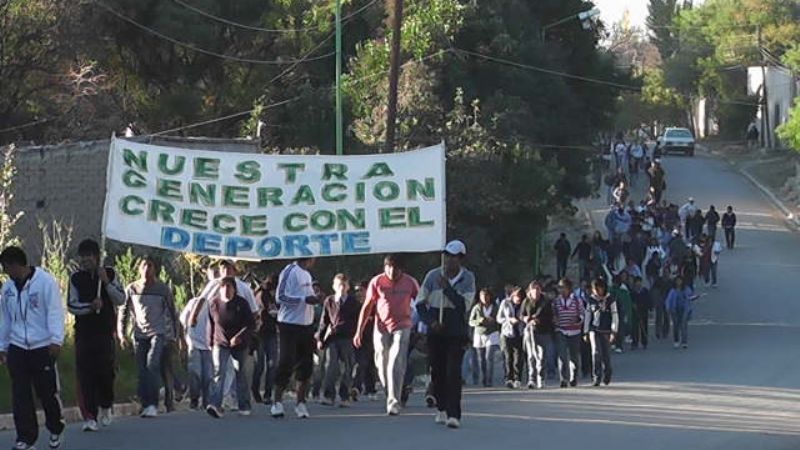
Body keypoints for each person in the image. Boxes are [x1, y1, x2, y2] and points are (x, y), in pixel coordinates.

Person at [0, 246, 66, 450]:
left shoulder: (45, 282)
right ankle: (26, 438)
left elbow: (55, 311)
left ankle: (55, 427)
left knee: (46, 392)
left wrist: (56, 339)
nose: (5, 272)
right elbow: (5, 319)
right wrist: (3, 345)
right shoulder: (7, 289)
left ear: (16, 265)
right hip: (18, 346)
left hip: (42, 345)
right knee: (20, 394)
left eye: (6, 268)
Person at [416, 240, 476, 429]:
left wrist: (447, 289)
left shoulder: (468, 278)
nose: (449, 260)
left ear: (461, 258)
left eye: (454, 257)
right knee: (438, 371)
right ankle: (441, 407)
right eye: (447, 256)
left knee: (453, 372)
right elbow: (420, 303)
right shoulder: (432, 275)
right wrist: (431, 322)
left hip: (455, 330)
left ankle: (453, 414)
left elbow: (463, 305)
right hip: (436, 328)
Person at [67, 239, 126, 432]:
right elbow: (71, 305)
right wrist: (90, 307)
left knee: (105, 373)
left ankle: (106, 404)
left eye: (89, 256)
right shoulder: (76, 278)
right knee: (86, 375)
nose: (85, 260)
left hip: (104, 333)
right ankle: (89, 416)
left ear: (97, 257)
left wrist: (106, 283)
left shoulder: (110, 273)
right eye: (82, 257)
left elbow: (121, 298)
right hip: (84, 334)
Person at [354, 254, 419, 416]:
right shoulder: (377, 282)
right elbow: (367, 306)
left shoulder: (410, 282)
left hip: (402, 326)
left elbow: (421, 303)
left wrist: (424, 326)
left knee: (395, 361)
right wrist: (359, 331)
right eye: (388, 267)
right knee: (382, 364)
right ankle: (391, 391)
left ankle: (394, 401)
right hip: (381, 327)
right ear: (384, 267)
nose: (391, 271)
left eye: (395, 268)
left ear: (401, 269)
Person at [118, 257, 177, 419]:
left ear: (155, 270)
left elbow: (172, 313)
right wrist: (121, 334)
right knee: (142, 369)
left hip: (158, 333)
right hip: (139, 334)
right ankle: (144, 403)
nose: (146, 269)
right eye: (144, 266)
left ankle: (152, 404)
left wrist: (175, 336)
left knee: (152, 364)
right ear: (139, 268)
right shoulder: (132, 288)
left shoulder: (163, 289)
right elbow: (123, 312)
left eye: (150, 266)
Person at [271, 258, 322, 419]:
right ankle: (277, 402)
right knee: (286, 362)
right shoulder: (289, 271)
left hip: (306, 325)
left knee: (306, 365)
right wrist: (303, 300)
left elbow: (309, 297)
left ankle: (300, 403)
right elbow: (280, 297)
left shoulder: (307, 274)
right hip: (289, 324)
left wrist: (316, 298)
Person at [206, 277, 256, 418]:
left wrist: (240, 336)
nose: (226, 290)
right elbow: (211, 323)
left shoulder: (242, 303)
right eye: (223, 287)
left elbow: (251, 324)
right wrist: (210, 341)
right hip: (220, 342)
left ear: (234, 289)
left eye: (229, 286)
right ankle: (215, 405)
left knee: (240, 373)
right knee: (218, 372)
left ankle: (244, 405)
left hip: (239, 344)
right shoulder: (213, 303)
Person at [316, 274, 360, 407]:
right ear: (334, 286)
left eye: (344, 285)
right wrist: (320, 338)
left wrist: (357, 335)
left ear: (348, 287)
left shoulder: (353, 302)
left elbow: (357, 321)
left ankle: (344, 395)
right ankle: (328, 395)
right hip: (333, 337)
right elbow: (324, 321)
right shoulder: (329, 301)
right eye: (339, 285)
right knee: (331, 366)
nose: (341, 288)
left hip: (347, 337)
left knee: (347, 367)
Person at [179, 294, 212, 411]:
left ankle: (207, 402)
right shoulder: (193, 302)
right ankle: (194, 399)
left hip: (210, 345)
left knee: (208, 376)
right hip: (194, 343)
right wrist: (182, 341)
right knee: (195, 373)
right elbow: (182, 322)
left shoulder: (216, 303)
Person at [584, 278, 618, 386]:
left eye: (598, 288)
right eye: (594, 289)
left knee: (606, 354)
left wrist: (614, 331)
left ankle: (607, 373)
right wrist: (586, 331)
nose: (597, 291)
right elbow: (588, 316)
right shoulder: (591, 300)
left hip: (606, 330)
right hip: (594, 329)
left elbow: (615, 316)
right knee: (595, 353)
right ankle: (596, 377)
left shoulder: (610, 299)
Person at [251, 275, 278, 405]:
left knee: (272, 364)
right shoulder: (262, 295)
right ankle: (255, 390)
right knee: (260, 365)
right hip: (259, 333)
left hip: (271, 332)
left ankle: (268, 393)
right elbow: (271, 311)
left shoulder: (274, 296)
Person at [552, 278, 584, 388]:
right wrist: (554, 319)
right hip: (561, 330)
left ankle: (573, 377)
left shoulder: (577, 300)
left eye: (563, 288)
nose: (561, 290)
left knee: (574, 356)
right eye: (560, 288)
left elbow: (582, 314)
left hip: (574, 331)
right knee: (562, 355)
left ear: (569, 288)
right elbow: (554, 313)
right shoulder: (556, 301)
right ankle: (563, 378)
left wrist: (578, 319)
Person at [521, 281, 554, 389]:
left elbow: (550, 317)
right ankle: (531, 379)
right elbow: (521, 315)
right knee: (531, 356)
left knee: (541, 356)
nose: (535, 291)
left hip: (543, 331)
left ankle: (541, 378)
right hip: (530, 331)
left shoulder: (545, 302)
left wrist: (540, 320)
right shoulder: (526, 301)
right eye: (533, 289)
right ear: (530, 290)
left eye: (537, 289)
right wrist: (526, 319)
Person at [351, 281, 378, 401]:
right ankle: (355, 388)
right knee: (361, 363)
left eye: (361, 290)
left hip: (373, 339)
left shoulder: (375, 305)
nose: (358, 293)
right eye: (356, 291)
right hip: (358, 340)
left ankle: (370, 389)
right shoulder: (353, 306)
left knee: (370, 365)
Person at [468, 288, 500, 387]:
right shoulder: (476, 308)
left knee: (489, 357)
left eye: (486, 295)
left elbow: (500, 319)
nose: (484, 298)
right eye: (482, 296)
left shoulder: (495, 307)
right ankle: (484, 379)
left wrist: (494, 320)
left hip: (492, 333)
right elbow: (471, 322)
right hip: (479, 334)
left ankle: (489, 380)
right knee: (481, 359)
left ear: (490, 296)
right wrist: (479, 321)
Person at [497, 287, 525, 389]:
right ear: (513, 296)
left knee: (518, 358)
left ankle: (518, 379)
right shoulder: (505, 303)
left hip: (520, 333)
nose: (518, 299)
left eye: (520, 297)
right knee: (508, 357)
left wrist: (521, 319)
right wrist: (509, 320)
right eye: (517, 296)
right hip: (507, 333)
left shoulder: (524, 304)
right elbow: (499, 318)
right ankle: (509, 378)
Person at [665, 276, 697, 349]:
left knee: (683, 325)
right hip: (675, 309)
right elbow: (668, 300)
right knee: (676, 325)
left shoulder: (686, 289)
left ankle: (684, 342)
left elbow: (691, 296)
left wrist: (692, 297)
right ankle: (676, 340)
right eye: (677, 281)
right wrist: (668, 308)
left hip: (684, 309)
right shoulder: (673, 290)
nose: (679, 282)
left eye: (680, 281)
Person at [629, 277, 650, 350]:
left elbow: (648, 300)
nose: (638, 284)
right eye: (637, 282)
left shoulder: (645, 291)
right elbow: (630, 301)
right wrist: (633, 305)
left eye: (639, 282)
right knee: (634, 328)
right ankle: (635, 342)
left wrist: (649, 308)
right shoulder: (632, 292)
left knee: (644, 326)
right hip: (634, 312)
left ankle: (644, 342)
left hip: (644, 311)